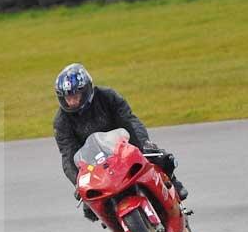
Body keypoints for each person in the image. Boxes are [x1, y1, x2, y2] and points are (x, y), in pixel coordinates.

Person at [52, 63, 188, 222]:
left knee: (157, 155)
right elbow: (68, 154)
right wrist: (78, 182)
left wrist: (141, 144)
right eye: (68, 98)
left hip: (123, 144)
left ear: (86, 90)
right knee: (90, 207)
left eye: (75, 96)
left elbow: (128, 120)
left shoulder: (107, 97)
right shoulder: (61, 122)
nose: (72, 101)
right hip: (95, 162)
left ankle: (172, 181)